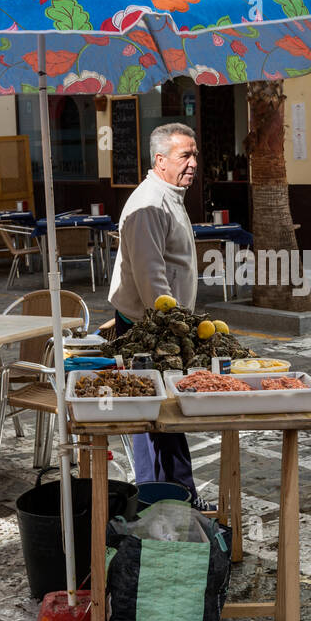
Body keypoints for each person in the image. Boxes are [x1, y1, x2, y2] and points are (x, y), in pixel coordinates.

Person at [107, 122, 200, 504]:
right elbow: (151, 278)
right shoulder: (149, 203)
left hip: (164, 327)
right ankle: (151, 500)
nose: (193, 163)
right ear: (160, 160)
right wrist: (173, 333)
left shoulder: (169, 194)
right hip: (149, 329)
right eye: (185, 156)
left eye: (195, 155)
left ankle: (178, 496)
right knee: (150, 418)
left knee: (169, 416)